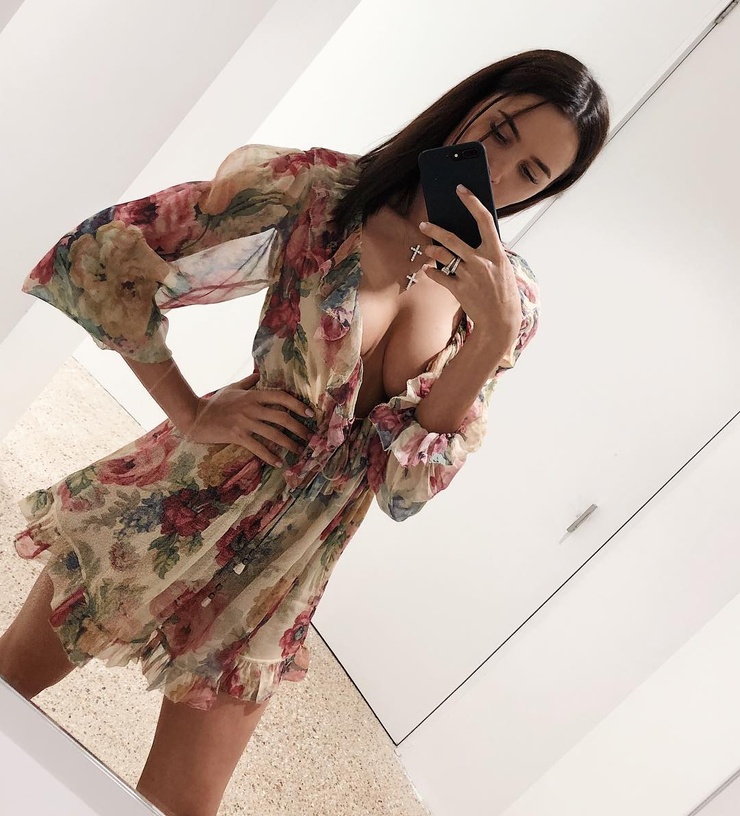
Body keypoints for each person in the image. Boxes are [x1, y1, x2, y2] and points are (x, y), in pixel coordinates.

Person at [1, 48, 609, 816]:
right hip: (178, 504)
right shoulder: (322, 192)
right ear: (470, 105)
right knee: (10, 689)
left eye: (532, 172)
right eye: (500, 131)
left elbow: (406, 488)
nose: (498, 170)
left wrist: (489, 338)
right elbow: (106, 255)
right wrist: (190, 410)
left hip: (287, 569)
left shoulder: (507, 300)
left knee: (182, 805)